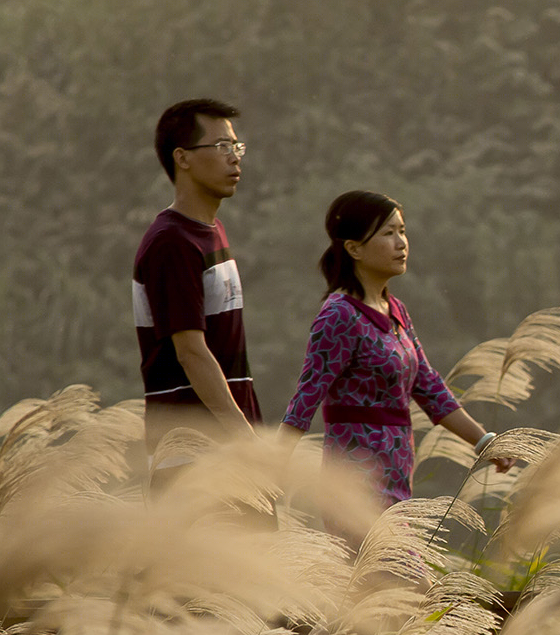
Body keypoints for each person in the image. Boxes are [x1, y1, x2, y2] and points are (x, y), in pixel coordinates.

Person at [279, 191, 504, 511]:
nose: (401, 242)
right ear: (354, 248)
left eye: (402, 231)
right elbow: (306, 397)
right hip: (355, 485)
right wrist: (268, 470)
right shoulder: (339, 315)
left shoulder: (395, 311)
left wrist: (484, 442)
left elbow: (429, 386)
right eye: (388, 233)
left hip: (397, 479)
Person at [132, 99, 261, 489]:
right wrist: (245, 437)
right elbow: (190, 352)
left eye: (236, 147)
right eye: (221, 147)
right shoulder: (172, 242)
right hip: (195, 457)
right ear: (182, 158)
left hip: (224, 449)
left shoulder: (209, 232)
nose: (234, 159)